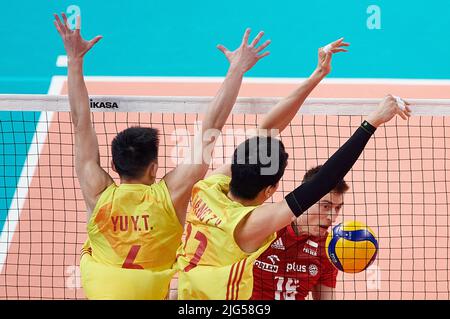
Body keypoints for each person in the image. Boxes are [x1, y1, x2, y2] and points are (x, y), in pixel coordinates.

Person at [53, 12, 271, 299]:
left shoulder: (97, 190)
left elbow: (81, 123)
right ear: (154, 167)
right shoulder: (171, 195)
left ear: (114, 165)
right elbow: (212, 126)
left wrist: (74, 60)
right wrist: (236, 70)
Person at [176, 38, 407, 300]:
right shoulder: (252, 225)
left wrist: (318, 74)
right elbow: (323, 181)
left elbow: (264, 132)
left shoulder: (206, 188)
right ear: (270, 190)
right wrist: (371, 123)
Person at [251, 165, 348, 300]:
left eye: (337, 208)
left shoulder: (328, 247)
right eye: (326, 206)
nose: (332, 217)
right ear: (305, 199)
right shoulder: (267, 225)